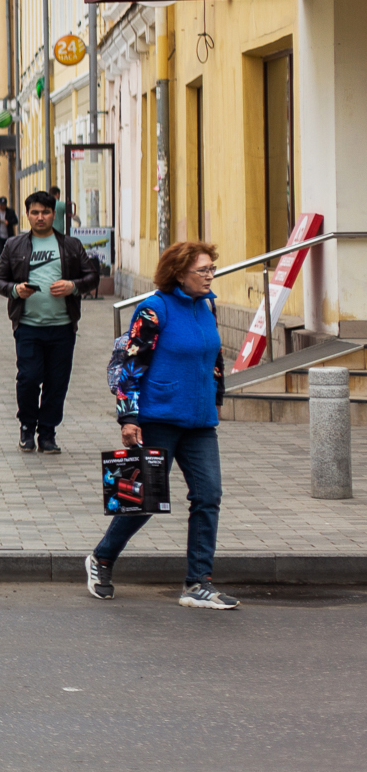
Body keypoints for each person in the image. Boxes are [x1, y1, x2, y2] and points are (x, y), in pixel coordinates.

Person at [91, 240, 238, 609]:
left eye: (211, 269)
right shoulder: (154, 310)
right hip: (158, 418)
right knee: (142, 501)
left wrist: (216, 397)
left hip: (201, 420)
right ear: (179, 274)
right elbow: (129, 365)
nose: (209, 276)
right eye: (202, 270)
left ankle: (197, 582)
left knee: (208, 496)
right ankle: (101, 559)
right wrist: (128, 417)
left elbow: (214, 355)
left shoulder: (207, 305)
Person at [0, 190, 100, 453]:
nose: (40, 217)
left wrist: (72, 286)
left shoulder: (70, 245)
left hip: (62, 327)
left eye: (45, 212)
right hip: (28, 325)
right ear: (28, 215)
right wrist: (15, 290)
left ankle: (48, 432)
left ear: (54, 214)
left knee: (57, 381)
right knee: (29, 378)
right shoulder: (14, 245)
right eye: (35, 213)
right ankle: (27, 427)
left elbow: (91, 277)